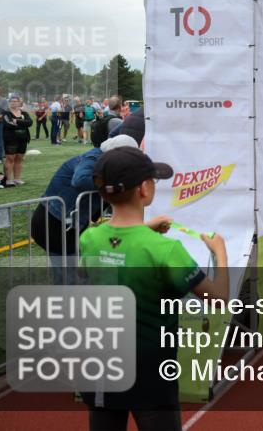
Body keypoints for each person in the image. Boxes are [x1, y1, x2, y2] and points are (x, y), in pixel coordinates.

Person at [80, 146, 228, 431]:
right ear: (144, 190)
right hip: (149, 371)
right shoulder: (167, 250)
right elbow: (219, 299)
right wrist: (219, 252)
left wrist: (144, 228)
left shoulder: (90, 237)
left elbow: (116, 246)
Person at [30, 126, 139, 266]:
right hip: (53, 223)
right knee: (69, 275)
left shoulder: (107, 163)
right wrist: (114, 187)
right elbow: (80, 180)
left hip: (70, 223)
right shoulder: (93, 158)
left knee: (78, 271)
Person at [1, 95, 33, 187]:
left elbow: (30, 123)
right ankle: (8, 180)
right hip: (11, 139)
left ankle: (17, 179)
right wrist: (22, 123)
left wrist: (16, 121)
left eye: (15, 101)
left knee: (19, 159)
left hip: (23, 139)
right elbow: (8, 124)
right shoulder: (6, 113)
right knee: (10, 159)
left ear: (19, 102)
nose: (13, 102)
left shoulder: (24, 113)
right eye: (12, 101)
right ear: (9, 102)